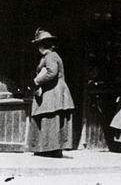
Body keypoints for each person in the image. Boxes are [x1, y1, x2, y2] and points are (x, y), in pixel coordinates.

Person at [27, 28, 75, 156]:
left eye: (39, 45)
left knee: (50, 118)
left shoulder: (50, 56)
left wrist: (37, 81)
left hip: (53, 91)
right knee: (50, 119)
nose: (38, 48)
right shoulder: (51, 56)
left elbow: (52, 72)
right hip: (54, 91)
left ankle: (50, 149)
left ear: (43, 46)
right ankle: (49, 148)